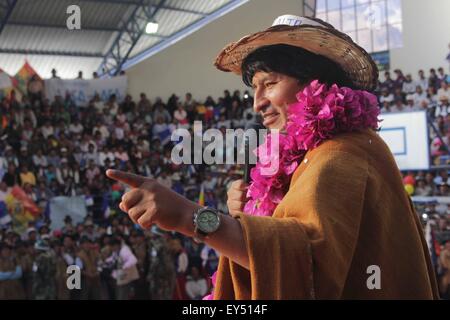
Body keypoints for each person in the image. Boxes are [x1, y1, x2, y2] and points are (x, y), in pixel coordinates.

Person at [106, 15, 439, 299]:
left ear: (316, 84)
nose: (257, 103)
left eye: (270, 83)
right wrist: (251, 216)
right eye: (254, 88)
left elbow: (304, 262)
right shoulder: (319, 155)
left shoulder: (341, 155)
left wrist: (189, 217)